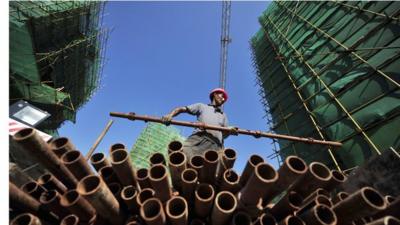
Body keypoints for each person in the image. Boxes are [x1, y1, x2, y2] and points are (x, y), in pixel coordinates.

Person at [162, 88, 238, 159]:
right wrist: (170, 115)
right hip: (199, 139)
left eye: (224, 98)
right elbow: (182, 109)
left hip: (216, 145)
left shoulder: (223, 115)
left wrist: (229, 131)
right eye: (222, 96)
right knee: (180, 156)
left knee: (213, 169)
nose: (223, 99)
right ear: (215, 94)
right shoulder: (201, 106)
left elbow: (223, 135)